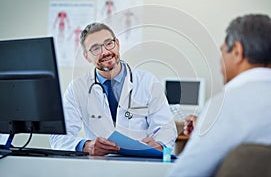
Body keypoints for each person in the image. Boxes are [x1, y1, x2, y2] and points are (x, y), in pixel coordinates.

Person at [167, 14, 271, 177]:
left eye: (222, 51)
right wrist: (206, 131)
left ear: (237, 51)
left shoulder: (223, 106)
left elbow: (183, 174)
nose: (220, 65)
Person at [50, 22, 177, 155]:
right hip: (99, 165)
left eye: (109, 43)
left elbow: (166, 128)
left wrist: (160, 144)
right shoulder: (77, 88)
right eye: (95, 48)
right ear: (86, 56)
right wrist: (86, 146)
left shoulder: (147, 81)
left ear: (117, 43)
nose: (105, 52)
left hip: (140, 163)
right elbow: (58, 137)